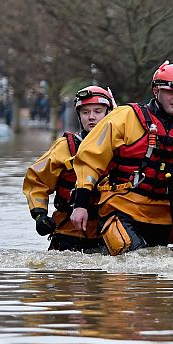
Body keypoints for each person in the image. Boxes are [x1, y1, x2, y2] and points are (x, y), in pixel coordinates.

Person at [69, 62, 173, 255]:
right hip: (122, 207)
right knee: (132, 265)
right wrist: (80, 204)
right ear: (156, 91)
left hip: (161, 215)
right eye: (170, 92)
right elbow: (90, 160)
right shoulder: (125, 117)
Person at [23, 86, 113, 252]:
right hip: (68, 234)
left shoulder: (121, 148)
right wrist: (39, 215)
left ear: (109, 113)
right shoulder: (64, 148)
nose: (91, 117)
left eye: (98, 111)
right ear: (79, 116)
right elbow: (36, 181)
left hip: (110, 236)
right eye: (85, 112)